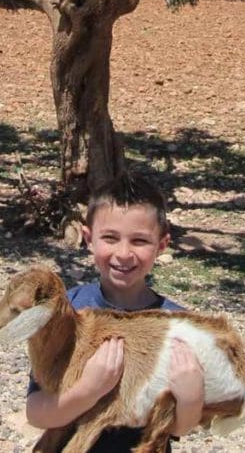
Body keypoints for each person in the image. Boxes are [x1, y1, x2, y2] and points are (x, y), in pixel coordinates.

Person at [24, 174, 205, 451]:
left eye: (139, 241)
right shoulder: (65, 312)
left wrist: (191, 396)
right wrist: (88, 390)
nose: (123, 253)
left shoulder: (176, 325)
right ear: (88, 239)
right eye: (110, 237)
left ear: (162, 245)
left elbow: (178, 427)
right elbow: (36, 411)